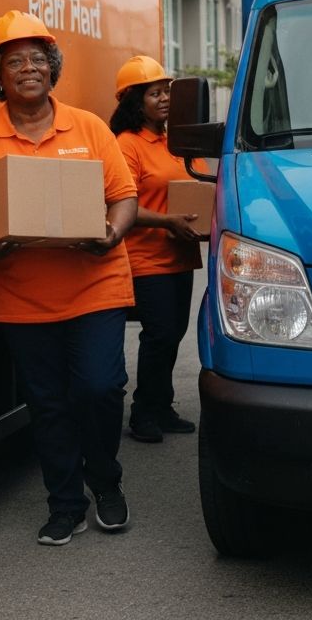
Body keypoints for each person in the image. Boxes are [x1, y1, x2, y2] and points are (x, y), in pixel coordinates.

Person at [0, 10, 138, 546]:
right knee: (48, 404)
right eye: (14, 62)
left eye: (37, 59)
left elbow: (124, 197)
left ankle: (105, 479)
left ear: (52, 68)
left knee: (100, 388)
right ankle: (65, 504)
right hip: (22, 297)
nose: (28, 68)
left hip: (95, 284)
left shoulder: (89, 127)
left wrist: (111, 233)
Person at [110, 56, 205, 444]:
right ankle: (143, 412)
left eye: (167, 91)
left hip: (181, 255)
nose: (165, 98)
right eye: (154, 93)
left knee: (174, 334)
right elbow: (121, 203)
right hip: (147, 259)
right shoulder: (127, 145)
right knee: (160, 335)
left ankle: (162, 407)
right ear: (135, 101)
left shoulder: (176, 141)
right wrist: (167, 222)